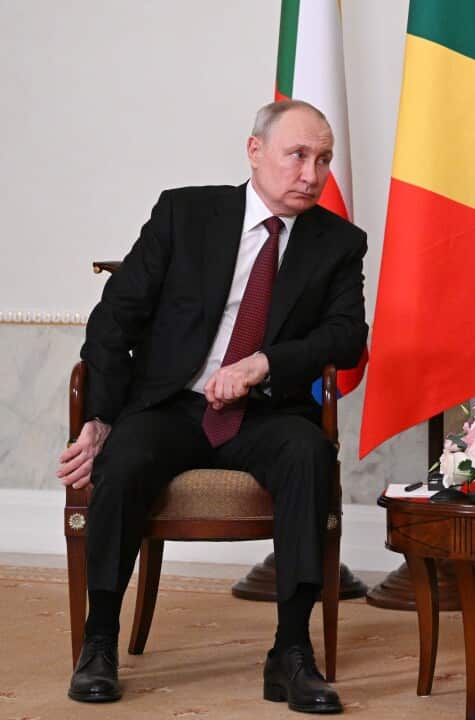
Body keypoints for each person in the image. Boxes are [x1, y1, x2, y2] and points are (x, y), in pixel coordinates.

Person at [55, 99, 367, 714]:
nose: (312, 173)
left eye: (323, 159)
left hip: (266, 413)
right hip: (173, 404)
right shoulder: (186, 213)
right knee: (123, 461)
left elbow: (346, 336)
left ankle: (291, 653)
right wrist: (101, 418)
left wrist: (264, 363)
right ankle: (99, 641)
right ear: (255, 153)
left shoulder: (338, 242)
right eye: (297, 155)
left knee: (308, 454)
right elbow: (117, 315)